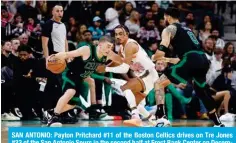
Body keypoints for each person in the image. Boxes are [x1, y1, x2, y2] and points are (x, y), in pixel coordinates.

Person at [152, 7, 224, 127]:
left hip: (190, 59)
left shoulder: (169, 28)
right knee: (201, 92)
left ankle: (161, 118)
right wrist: (166, 59)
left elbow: (161, 52)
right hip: (203, 59)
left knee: (159, 83)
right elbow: (183, 59)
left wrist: (154, 57)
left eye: (164, 17)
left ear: (167, 16)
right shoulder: (188, 30)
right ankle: (218, 123)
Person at [101, 25, 178, 127]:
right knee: (133, 102)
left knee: (125, 88)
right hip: (146, 76)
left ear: (127, 34)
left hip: (148, 74)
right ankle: (155, 120)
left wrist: (106, 68)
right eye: (116, 34)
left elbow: (124, 68)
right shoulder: (122, 48)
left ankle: (135, 117)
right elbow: (118, 61)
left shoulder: (130, 45)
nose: (118, 36)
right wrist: (104, 65)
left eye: (120, 34)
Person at [47, 36, 122, 127]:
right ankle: (54, 118)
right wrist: (54, 57)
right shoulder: (87, 50)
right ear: (100, 45)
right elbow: (67, 54)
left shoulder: (108, 55)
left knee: (72, 104)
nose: (109, 49)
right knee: (71, 91)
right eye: (108, 46)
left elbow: (122, 61)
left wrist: (133, 63)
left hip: (80, 79)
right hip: (69, 74)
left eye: (111, 47)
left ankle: (51, 112)